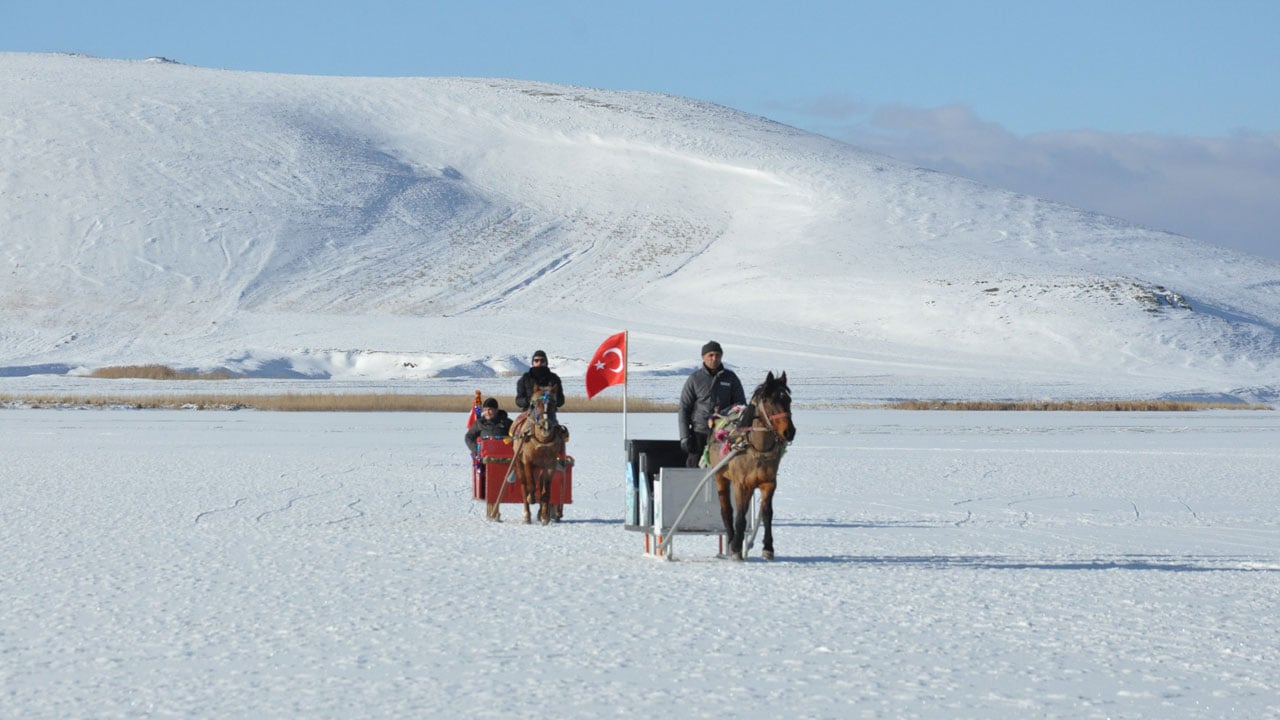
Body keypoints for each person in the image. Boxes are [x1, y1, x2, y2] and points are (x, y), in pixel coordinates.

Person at [678, 340, 746, 468]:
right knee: (693, 470)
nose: (714, 358)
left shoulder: (730, 378)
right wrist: (684, 436)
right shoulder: (694, 379)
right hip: (699, 433)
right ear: (703, 357)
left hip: (724, 435)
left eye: (717, 355)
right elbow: (684, 409)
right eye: (710, 355)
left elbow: (741, 406)